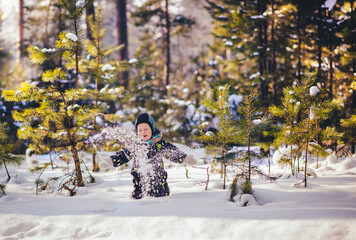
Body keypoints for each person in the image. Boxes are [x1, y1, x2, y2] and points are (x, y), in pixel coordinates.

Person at [110, 113, 196, 199]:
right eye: (140, 130)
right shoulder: (135, 145)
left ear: (152, 129)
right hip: (139, 188)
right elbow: (123, 155)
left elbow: (172, 152)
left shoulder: (159, 144)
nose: (143, 132)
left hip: (160, 187)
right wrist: (110, 161)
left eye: (146, 129)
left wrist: (185, 158)